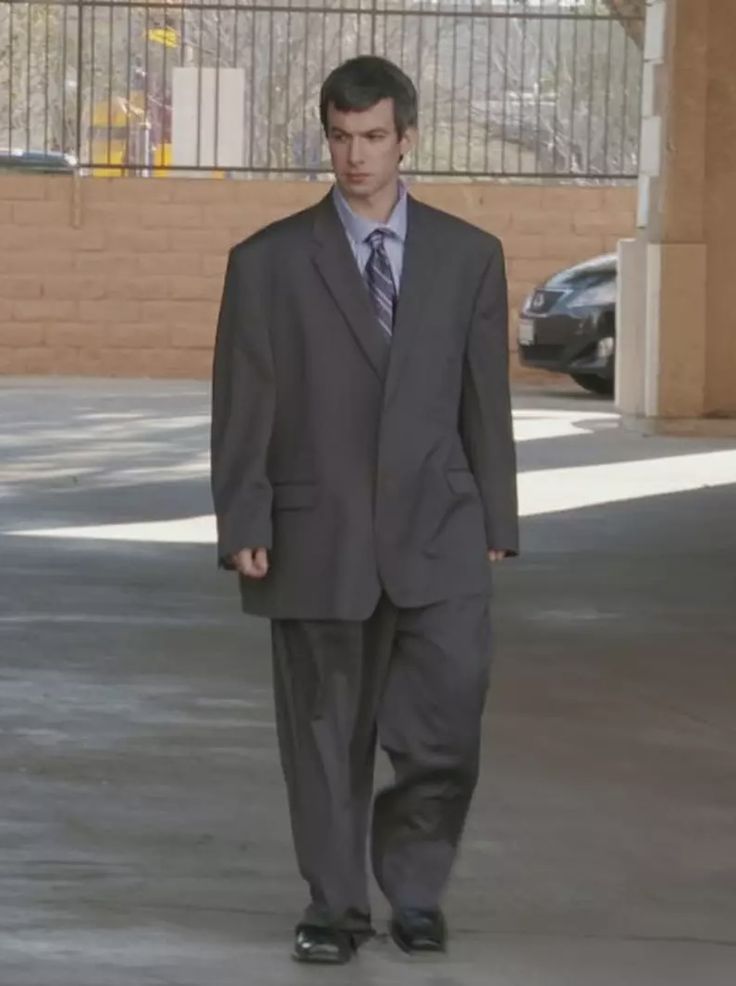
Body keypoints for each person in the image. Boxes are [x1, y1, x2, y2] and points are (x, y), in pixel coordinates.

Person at [210, 55, 519, 965]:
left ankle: (414, 889)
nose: (356, 157)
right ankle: (337, 908)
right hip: (319, 534)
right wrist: (245, 521)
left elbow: (482, 398)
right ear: (328, 138)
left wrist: (496, 519)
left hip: (440, 531)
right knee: (323, 739)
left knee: (445, 732)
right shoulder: (267, 262)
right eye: (341, 139)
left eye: (374, 137)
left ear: (406, 139)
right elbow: (244, 402)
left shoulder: (469, 257)